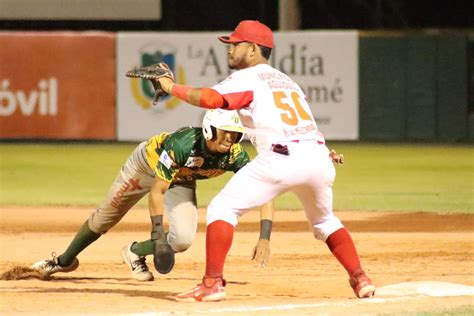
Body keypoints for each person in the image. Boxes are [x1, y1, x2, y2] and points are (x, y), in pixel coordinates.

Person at [154, 20, 375, 301]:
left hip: (281, 158)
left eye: (236, 44)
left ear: (253, 49)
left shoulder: (249, 77)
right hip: (318, 156)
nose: (230, 49)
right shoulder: (287, 81)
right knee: (325, 221)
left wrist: (170, 87)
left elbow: (211, 99)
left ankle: (212, 283)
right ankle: (360, 278)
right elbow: (302, 122)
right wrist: (321, 152)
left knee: (223, 207)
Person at [30, 109, 273, 281]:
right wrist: (157, 234)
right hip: (145, 166)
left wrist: (264, 237)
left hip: (181, 179)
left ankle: (134, 252)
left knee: (182, 240)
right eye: (225, 132)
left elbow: (263, 189)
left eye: (235, 133)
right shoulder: (183, 144)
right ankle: (62, 262)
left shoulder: (235, 156)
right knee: (105, 218)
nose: (231, 138)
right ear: (209, 130)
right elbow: (157, 190)